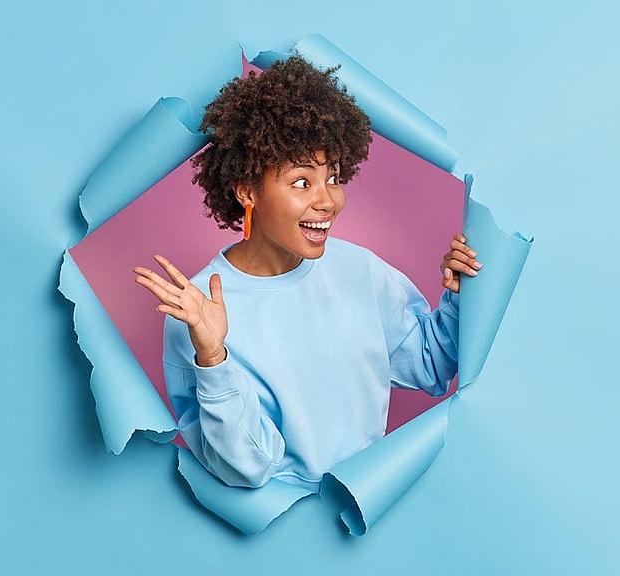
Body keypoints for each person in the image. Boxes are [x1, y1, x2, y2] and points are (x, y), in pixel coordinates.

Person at [133, 55, 480, 490]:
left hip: (368, 509)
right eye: (301, 182)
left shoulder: (360, 270)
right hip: (289, 536)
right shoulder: (197, 310)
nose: (328, 201)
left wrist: (462, 293)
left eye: (333, 177)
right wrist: (213, 358)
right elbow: (247, 470)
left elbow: (431, 364)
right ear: (247, 189)